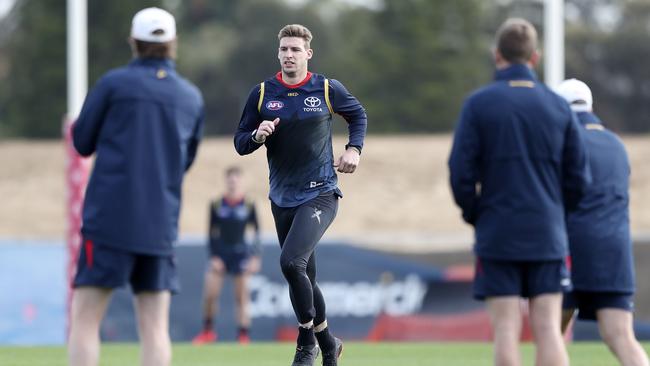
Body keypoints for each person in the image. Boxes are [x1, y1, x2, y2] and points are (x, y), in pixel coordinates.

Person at [448, 18, 591, 366]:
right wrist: (558, 213)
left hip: (498, 229)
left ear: (497, 55)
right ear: (535, 58)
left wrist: (476, 213)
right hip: (547, 231)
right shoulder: (558, 107)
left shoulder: (478, 104)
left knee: (506, 330)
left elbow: (460, 172)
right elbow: (579, 178)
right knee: (548, 329)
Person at [68, 8, 204, 366]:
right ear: (172, 43)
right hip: (159, 224)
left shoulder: (113, 84)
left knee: (84, 320)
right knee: (155, 327)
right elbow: (185, 161)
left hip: (109, 221)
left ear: (134, 41)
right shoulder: (190, 97)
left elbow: (81, 142)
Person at [234, 24, 367, 366]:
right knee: (304, 275)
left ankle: (306, 340)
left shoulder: (325, 88)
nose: (289, 54)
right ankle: (329, 344)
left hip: (321, 193)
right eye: (284, 49)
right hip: (281, 197)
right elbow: (240, 143)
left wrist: (353, 149)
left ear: (308, 54)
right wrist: (258, 136)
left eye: (296, 49)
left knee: (290, 262)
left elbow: (358, 115)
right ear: (278, 54)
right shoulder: (262, 93)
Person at [555, 79, 649, 366]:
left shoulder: (562, 143)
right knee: (620, 335)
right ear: (590, 105)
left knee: (550, 334)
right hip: (615, 252)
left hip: (571, 248)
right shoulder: (616, 144)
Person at [192, 166, 261, 345]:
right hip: (221, 255)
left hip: (241, 254)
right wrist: (214, 256)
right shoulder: (216, 203)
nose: (233, 183)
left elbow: (257, 232)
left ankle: (243, 335)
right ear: (226, 181)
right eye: (230, 180)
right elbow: (210, 232)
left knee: (242, 297)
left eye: (236, 179)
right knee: (210, 295)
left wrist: (255, 257)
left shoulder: (248, 203)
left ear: (240, 181)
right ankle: (208, 332)